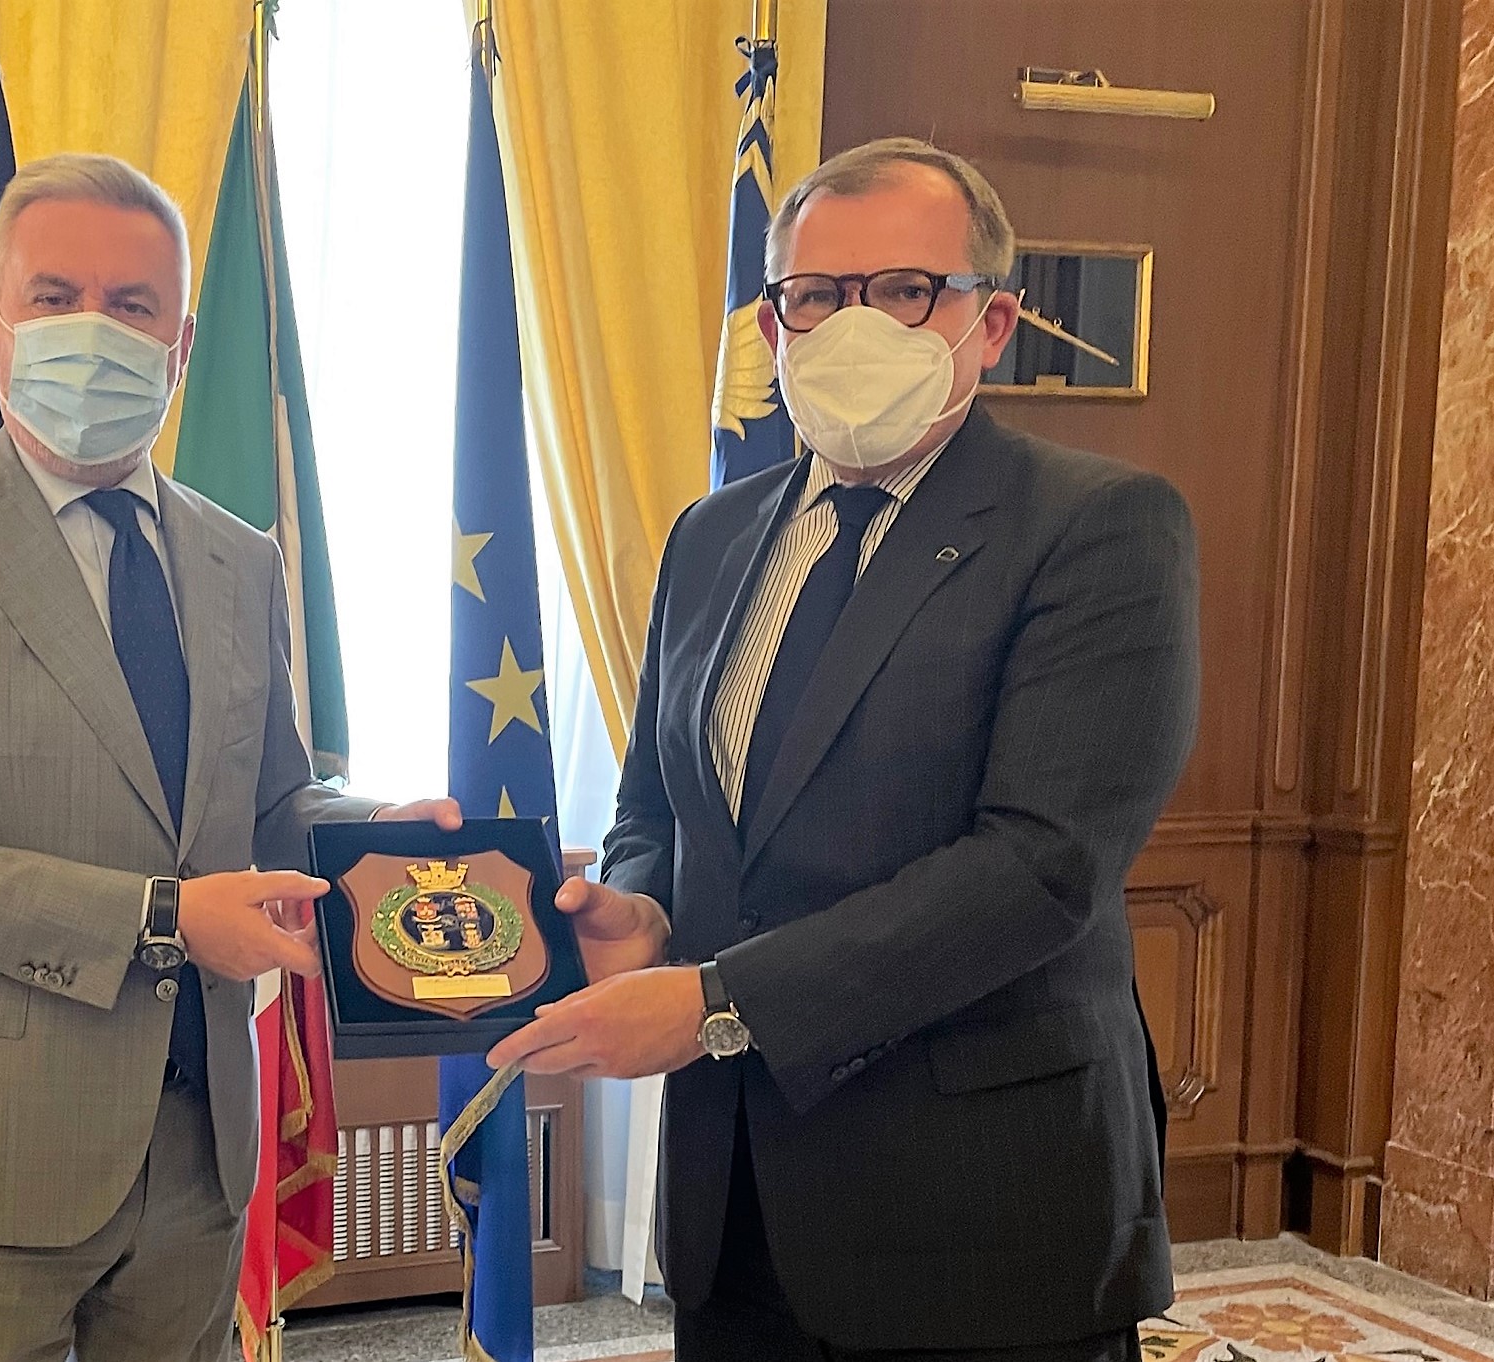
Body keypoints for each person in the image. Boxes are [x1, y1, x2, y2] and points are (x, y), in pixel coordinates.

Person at [488, 136, 1199, 1361]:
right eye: (816, 294)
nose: (852, 324)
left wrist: (715, 1004)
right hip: (733, 1208)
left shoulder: (1099, 527)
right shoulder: (709, 537)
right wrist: (640, 910)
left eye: (904, 290)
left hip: (982, 1217)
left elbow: (1038, 869)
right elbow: (654, 802)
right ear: (773, 327)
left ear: (990, 322)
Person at [0, 151, 458, 1362]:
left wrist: (378, 834)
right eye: (55, 298)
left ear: (180, 343)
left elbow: (268, 801)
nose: (91, 332)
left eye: (131, 305)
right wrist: (164, 919)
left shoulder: (238, 559)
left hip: (196, 1153)